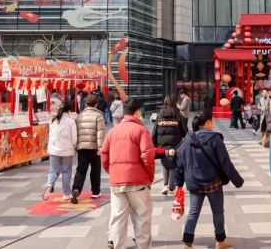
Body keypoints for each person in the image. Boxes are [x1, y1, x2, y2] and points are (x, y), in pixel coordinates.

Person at [175, 107, 243, 249]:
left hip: (194, 182)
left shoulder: (187, 140)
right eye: (212, 120)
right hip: (213, 182)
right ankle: (220, 241)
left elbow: (179, 162)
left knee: (193, 212)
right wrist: (237, 180)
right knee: (217, 211)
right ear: (207, 122)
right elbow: (225, 162)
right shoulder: (215, 139)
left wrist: (179, 183)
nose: (213, 122)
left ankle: (187, 243)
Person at [101, 98, 155, 249]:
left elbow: (104, 156)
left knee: (118, 218)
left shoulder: (112, 131)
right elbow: (148, 156)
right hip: (138, 181)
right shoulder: (141, 130)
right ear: (137, 112)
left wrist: (113, 172)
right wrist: (149, 176)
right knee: (142, 217)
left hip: (117, 181)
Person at [72, 94, 106, 204]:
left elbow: (76, 132)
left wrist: (76, 145)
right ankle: (95, 191)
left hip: (82, 147)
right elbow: (100, 133)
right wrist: (100, 147)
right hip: (94, 147)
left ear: (86, 104)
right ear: (96, 104)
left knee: (80, 170)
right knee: (95, 170)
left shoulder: (79, 116)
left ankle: (76, 189)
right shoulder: (98, 116)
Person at [152, 94, 187, 195]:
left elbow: (154, 132)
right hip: (175, 145)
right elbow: (184, 132)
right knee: (173, 165)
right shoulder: (178, 116)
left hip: (162, 145)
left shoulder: (159, 116)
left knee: (165, 164)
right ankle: (171, 187)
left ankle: (165, 185)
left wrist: (154, 144)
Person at [44, 104, 78, 200]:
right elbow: (74, 138)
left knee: (53, 170)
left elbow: (50, 134)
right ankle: (66, 193)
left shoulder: (53, 120)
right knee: (66, 171)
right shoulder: (71, 121)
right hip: (67, 150)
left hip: (54, 150)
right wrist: (75, 146)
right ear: (68, 111)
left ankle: (49, 185)